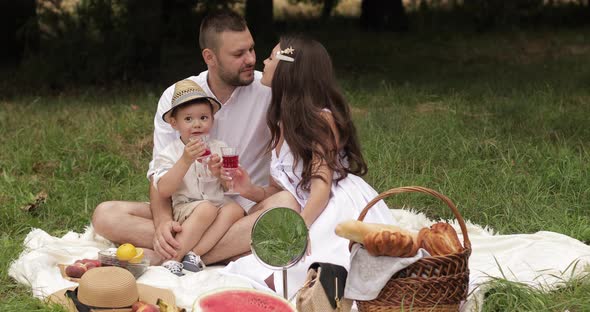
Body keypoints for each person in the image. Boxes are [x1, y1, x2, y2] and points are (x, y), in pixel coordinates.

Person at [92, 10, 299, 265]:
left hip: (241, 213)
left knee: (286, 205)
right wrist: (164, 224)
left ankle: (170, 255)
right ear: (209, 57)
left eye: (252, 49)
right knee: (105, 215)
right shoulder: (176, 97)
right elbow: (160, 177)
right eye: (238, 54)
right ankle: (200, 250)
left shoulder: (269, 91)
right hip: (186, 209)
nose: (250, 60)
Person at [222, 35, 395, 298]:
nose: (264, 63)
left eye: (270, 58)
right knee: (256, 271)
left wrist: (301, 229)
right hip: (305, 207)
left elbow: (320, 187)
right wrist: (249, 189)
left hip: (332, 204)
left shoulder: (321, 120)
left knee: (296, 276)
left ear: (288, 71)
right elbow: (279, 191)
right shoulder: (279, 121)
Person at [152, 79, 245, 276]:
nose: (197, 124)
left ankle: (194, 254)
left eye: (204, 117)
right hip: (186, 208)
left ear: (212, 120)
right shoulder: (170, 153)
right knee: (206, 208)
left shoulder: (219, 148)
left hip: (216, 207)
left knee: (235, 209)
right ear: (174, 123)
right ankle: (172, 259)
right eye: (188, 119)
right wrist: (185, 160)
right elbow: (164, 190)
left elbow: (230, 188)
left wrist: (221, 175)